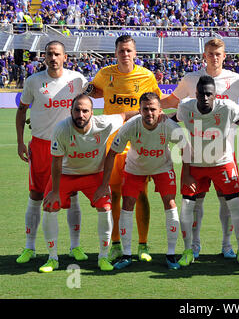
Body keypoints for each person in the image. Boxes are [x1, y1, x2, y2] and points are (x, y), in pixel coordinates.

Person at [161, 38, 239, 260]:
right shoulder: (191, 79)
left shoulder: (235, 79)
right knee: (197, 200)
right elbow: (173, 102)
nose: (214, 57)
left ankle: (227, 245)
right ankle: (194, 245)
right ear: (204, 55)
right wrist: (151, 106)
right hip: (197, 155)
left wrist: (236, 116)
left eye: (218, 54)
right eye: (210, 53)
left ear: (224, 56)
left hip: (225, 151)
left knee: (227, 200)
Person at [94, 92, 194, 270]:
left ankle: (171, 255)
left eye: (153, 109)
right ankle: (126, 255)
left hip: (162, 167)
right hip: (135, 168)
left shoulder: (168, 126)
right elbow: (111, 154)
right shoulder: (130, 126)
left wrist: (186, 175)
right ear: (139, 111)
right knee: (128, 204)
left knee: (170, 203)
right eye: (145, 109)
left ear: (160, 110)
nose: (149, 113)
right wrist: (104, 184)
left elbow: (186, 148)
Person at [40, 94, 136, 272]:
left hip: (94, 176)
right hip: (66, 175)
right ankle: (52, 258)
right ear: (71, 111)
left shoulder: (104, 123)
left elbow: (124, 115)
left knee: (106, 207)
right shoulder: (61, 129)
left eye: (85, 111)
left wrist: (148, 113)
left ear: (92, 112)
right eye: (77, 110)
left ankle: (103, 257)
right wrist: (54, 191)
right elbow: (56, 162)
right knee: (49, 205)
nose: (81, 114)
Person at [88, 35, 163, 264]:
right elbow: (94, 91)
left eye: (129, 50)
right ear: (116, 52)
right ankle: (116, 245)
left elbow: (156, 106)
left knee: (141, 194)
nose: (125, 54)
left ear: (135, 53)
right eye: (121, 50)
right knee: (115, 195)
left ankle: (143, 244)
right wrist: (89, 89)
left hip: (139, 146)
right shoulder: (105, 74)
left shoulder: (146, 76)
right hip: (113, 145)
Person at [15, 41, 88, 264]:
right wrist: (20, 141)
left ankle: (75, 246)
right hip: (41, 145)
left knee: (72, 196)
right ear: (44, 57)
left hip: (70, 145)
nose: (53, 58)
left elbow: (86, 108)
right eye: (49, 54)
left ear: (65, 57)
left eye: (57, 54)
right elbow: (22, 111)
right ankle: (29, 247)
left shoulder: (77, 80)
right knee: (36, 195)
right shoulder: (33, 81)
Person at [170, 75, 239, 268]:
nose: (205, 98)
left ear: (216, 95)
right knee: (189, 206)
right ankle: (191, 248)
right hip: (196, 164)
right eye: (201, 94)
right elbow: (173, 120)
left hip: (222, 162)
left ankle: (237, 248)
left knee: (234, 204)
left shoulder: (228, 107)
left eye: (209, 94)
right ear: (196, 94)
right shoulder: (185, 107)